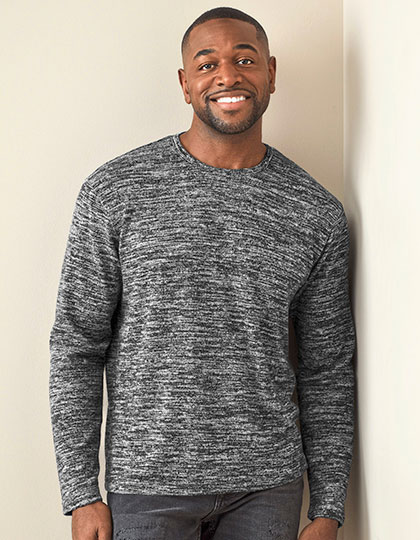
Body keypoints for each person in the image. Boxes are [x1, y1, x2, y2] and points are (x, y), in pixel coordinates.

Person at [49, 7, 356, 540]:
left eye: (245, 60)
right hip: (147, 487)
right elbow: (77, 343)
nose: (228, 76)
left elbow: (327, 367)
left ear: (271, 74)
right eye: (207, 63)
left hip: (269, 488)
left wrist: (328, 506)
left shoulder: (316, 212)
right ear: (185, 83)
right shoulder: (115, 191)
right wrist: (81, 492)